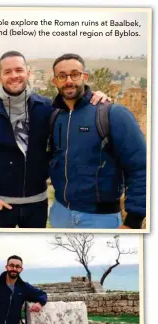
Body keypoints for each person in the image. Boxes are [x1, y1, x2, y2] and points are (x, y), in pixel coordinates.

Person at [0, 50, 109, 228]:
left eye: (19, 70)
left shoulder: (48, 108)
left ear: (28, 73)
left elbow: (76, 107)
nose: (14, 76)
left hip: (37, 204)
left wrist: (96, 96)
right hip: (2, 205)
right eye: (7, 72)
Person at [49, 53, 146, 229]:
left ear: (85, 77)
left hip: (100, 219)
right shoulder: (55, 116)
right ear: (55, 81)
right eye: (62, 76)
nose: (69, 80)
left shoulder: (113, 114)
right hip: (60, 213)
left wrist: (134, 221)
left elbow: (141, 167)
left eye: (75, 74)